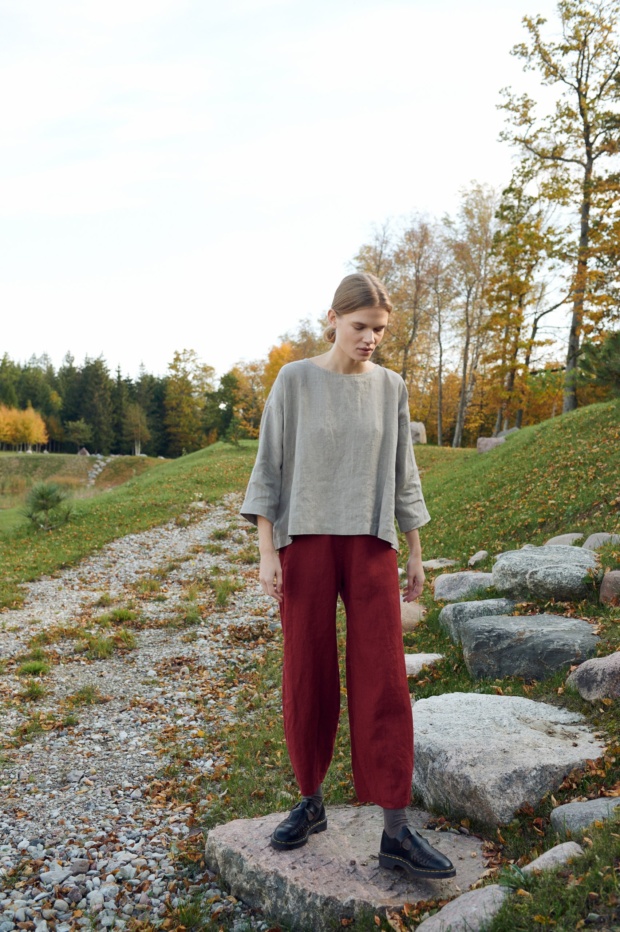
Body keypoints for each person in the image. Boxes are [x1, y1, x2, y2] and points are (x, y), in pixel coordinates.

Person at [240, 272, 455, 880]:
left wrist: (414, 549)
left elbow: (403, 473)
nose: (370, 340)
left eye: (380, 331)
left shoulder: (391, 387)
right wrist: (267, 551)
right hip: (305, 541)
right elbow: (269, 471)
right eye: (360, 327)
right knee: (307, 669)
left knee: (383, 675)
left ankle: (395, 829)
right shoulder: (295, 380)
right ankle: (310, 801)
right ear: (332, 317)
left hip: (370, 543)